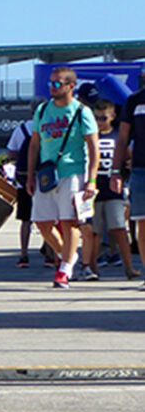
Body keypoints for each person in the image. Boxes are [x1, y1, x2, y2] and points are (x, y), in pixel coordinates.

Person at [26, 68, 99, 289]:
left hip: (73, 172)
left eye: (57, 84)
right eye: (51, 83)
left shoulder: (81, 111)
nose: (53, 88)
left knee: (70, 221)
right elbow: (35, 144)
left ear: (70, 86)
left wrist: (91, 180)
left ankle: (64, 270)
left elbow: (93, 147)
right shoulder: (42, 110)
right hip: (47, 174)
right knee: (42, 222)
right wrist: (30, 175)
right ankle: (66, 254)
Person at [80, 101, 136, 280]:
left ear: (112, 117)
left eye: (103, 118)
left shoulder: (118, 136)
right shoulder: (89, 136)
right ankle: (93, 267)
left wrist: (125, 178)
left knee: (119, 229)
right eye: (96, 118)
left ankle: (129, 267)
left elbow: (128, 158)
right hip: (94, 191)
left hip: (114, 191)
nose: (99, 122)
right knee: (94, 232)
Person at [112, 84, 145, 289]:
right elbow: (123, 138)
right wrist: (116, 172)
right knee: (143, 223)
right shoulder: (134, 101)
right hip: (141, 169)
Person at [6, 114, 37, 267]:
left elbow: (11, 152)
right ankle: (51, 255)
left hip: (23, 180)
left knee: (25, 220)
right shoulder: (48, 128)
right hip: (45, 179)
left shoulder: (21, 129)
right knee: (50, 219)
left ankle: (24, 254)